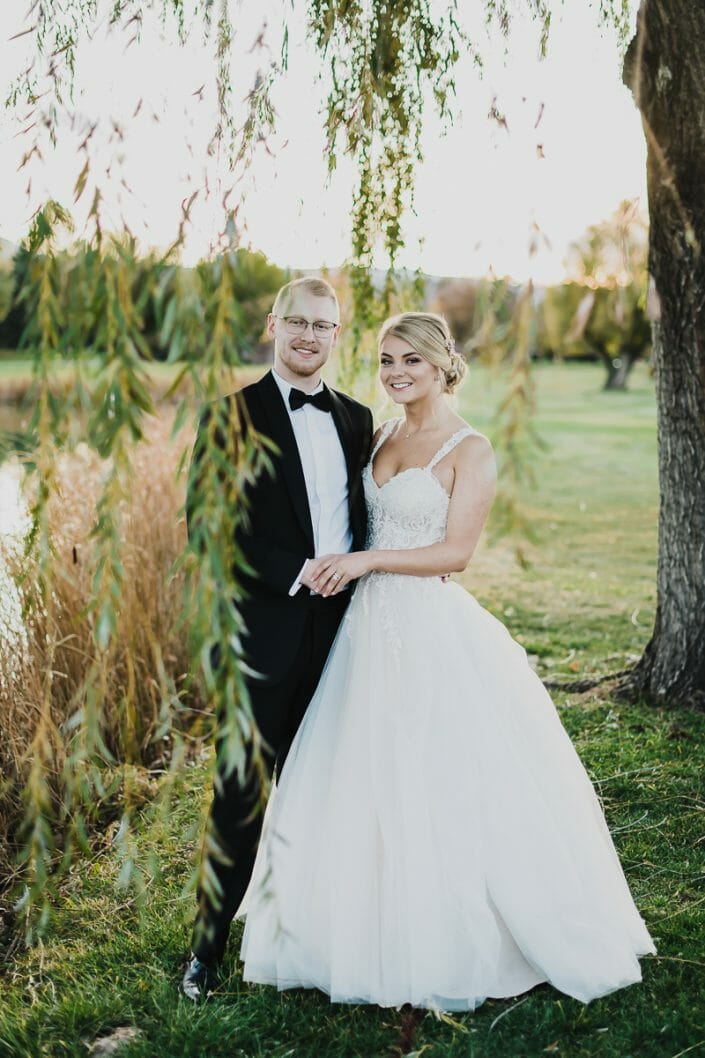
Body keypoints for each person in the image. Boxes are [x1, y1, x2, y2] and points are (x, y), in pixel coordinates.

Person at [236, 310, 656, 1012]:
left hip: (426, 625)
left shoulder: (470, 448)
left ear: (443, 367)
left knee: (438, 770)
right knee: (357, 764)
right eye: (386, 361)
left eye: (412, 363)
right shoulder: (379, 433)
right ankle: (345, 920)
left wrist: (367, 559)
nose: (397, 374)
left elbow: (456, 553)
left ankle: (456, 927)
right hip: (362, 628)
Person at [182, 277, 373, 1001]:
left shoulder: (355, 419)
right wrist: (296, 572)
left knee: (339, 786)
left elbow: (369, 518)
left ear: (336, 335)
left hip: (348, 638)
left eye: (323, 325)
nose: (308, 335)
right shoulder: (230, 416)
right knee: (240, 794)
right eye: (297, 321)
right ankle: (205, 949)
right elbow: (208, 531)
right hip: (263, 635)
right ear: (272, 326)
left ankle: (329, 937)